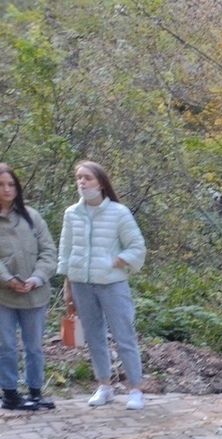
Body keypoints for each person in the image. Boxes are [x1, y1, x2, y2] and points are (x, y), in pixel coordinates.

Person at [58, 161, 148, 410]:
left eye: (87, 178)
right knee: (94, 337)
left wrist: (117, 260)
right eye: (78, 178)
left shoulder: (119, 213)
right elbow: (65, 251)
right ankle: (104, 386)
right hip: (81, 284)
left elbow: (136, 246)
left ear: (100, 182)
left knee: (124, 335)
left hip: (112, 284)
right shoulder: (71, 214)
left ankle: (135, 389)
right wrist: (67, 285)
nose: (82, 183)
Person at [0, 164, 57, 411]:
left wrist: (36, 278)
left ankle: (35, 392)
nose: (6, 189)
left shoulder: (32, 217)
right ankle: (10, 394)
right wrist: (7, 278)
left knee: (34, 346)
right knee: (6, 345)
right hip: (3, 295)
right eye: (1, 185)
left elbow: (49, 252)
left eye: (11, 184)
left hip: (35, 294)